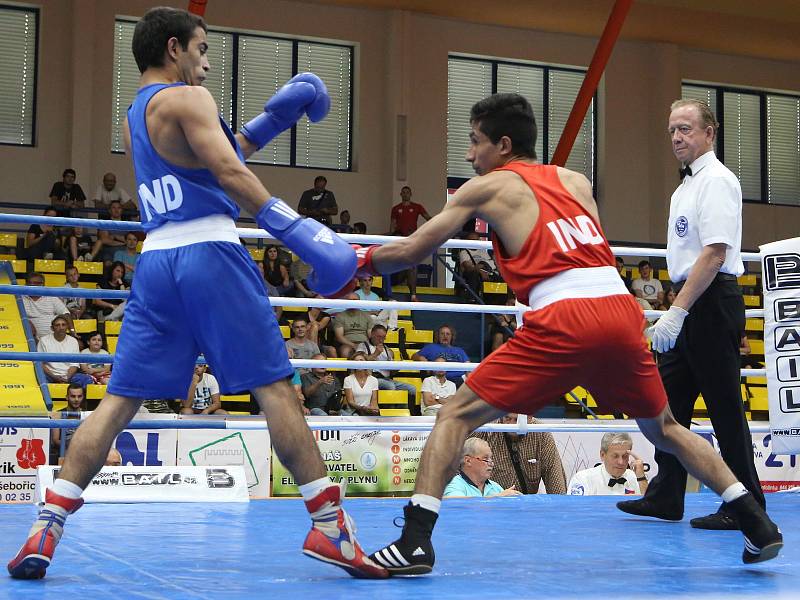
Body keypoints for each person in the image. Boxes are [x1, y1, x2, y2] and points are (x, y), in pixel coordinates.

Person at [8, 7, 385, 580]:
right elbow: (229, 176)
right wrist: (304, 233)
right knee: (276, 390)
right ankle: (332, 530)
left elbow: (210, 162)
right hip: (211, 254)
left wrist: (268, 123)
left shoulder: (138, 112)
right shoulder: (190, 99)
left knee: (118, 402)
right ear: (174, 48)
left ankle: (47, 524)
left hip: (157, 262)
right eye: (202, 49)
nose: (207, 64)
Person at [361, 93, 781, 575]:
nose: (468, 154)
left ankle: (415, 541)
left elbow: (415, 249)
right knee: (665, 428)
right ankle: (757, 522)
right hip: (620, 311)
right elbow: (589, 255)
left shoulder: (485, 186)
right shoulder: (577, 181)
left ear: (502, 145)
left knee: (454, 416)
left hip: (566, 319)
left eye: (474, 142)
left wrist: (358, 259)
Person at [617, 99, 767, 533]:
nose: (677, 138)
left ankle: (746, 504)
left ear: (709, 133)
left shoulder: (717, 181)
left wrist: (677, 311)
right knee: (667, 401)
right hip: (689, 298)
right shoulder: (684, 187)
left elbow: (716, 252)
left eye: (685, 129)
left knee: (724, 408)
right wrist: (678, 308)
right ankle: (666, 495)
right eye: (671, 131)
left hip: (710, 301)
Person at [475, 414, 566, 494]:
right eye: (507, 418)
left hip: (526, 506)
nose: (511, 425)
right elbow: (463, 469)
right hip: (490, 503)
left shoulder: (540, 432)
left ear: (529, 417)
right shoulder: (486, 428)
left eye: (516, 420)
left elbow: (555, 479)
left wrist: (561, 510)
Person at [356, 324, 417, 410]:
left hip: (387, 378)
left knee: (411, 388)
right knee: (390, 386)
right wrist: (376, 353)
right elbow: (360, 364)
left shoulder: (387, 350)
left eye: (383, 337)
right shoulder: (363, 346)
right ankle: (389, 414)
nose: (381, 340)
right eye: (379, 337)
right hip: (370, 378)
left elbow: (390, 370)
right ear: (372, 334)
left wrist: (396, 368)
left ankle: (406, 413)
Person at [567, 432, 647, 496]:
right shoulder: (583, 479)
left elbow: (651, 509)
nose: (621, 462)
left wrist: (641, 477)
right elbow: (574, 511)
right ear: (602, 455)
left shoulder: (636, 478)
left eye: (625, 456)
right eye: (615, 456)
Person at [389, 186, 431, 302]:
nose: (405, 194)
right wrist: (391, 238)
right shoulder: (396, 208)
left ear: (411, 194)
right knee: (402, 263)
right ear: (400, 194)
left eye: (407, 192)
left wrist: (430, 230)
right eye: (403, 192)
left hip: (413, 240)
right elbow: (392, 226)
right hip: (399, 240)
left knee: (412, 264)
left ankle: (413, 294)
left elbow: (429, 219)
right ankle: (402, 280)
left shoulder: (417, 207)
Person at [442, 437, 522, 498]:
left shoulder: (495, 487)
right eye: (485, 458)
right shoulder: (453, 484)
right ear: (468, 461)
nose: (491, 464)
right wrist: (498, 498)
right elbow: (457, 505)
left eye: (491, 458)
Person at [37, 316, 93, 386]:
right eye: (57, 325)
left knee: (86, 379)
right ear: (52, 328)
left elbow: (74, 364)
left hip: (69, 375)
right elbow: (40, 363)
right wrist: (54, 377)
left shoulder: (73, 341)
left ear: (67, 327)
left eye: (63, 325)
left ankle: (76, 396)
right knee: (39, 378)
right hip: (50, 375)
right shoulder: (43, 340)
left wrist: (67, 378)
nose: (61, 328)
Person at [22, 272, 75, 340]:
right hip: (31, 339)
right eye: (30, 282)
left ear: (43, 285)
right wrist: (27, 322)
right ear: (26, 284)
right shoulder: (20, 298)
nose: (33, 285)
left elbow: (66, 314)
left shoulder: (51, 297)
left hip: (54, 338)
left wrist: (72, 331)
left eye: (37, 283)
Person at [332, 293, 372, 358]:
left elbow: (370, 335)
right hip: (347, 344)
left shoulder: (367, 316)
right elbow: (339, 337)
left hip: (364, 343)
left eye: (355, 300)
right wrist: (353, 345)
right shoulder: (340, 316)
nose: (352, 302)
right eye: (350, 300)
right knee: (345, 352)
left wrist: (366, 346)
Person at [89, 200, 129, 265]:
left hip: (125, 253)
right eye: (114, 208)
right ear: (109, 210)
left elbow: (131, 240)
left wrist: (115, 237)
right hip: (108, 253)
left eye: (119, 208)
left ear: (122, 210)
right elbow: (104, 240)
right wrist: (123, 243)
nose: (116, 210)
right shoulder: (105, 223)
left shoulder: (127, 224)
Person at [51, 383, 86, 454]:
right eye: (73, 396)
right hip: (65, 451)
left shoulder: (87, 414)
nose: (76, 399)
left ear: (83, 397)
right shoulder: (58, 414)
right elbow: (55, 440)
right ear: (67, 397)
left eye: (79, 396)